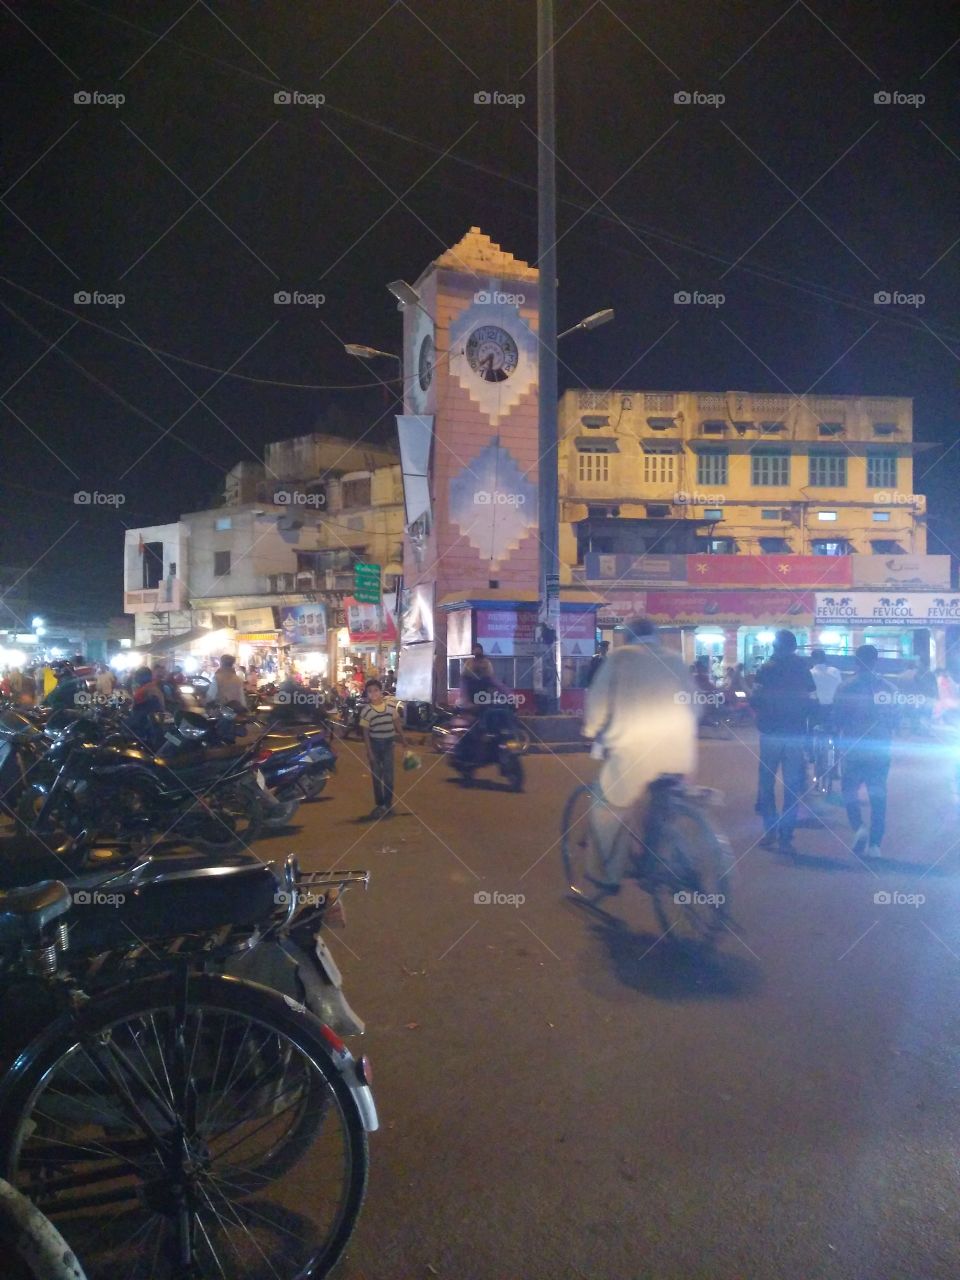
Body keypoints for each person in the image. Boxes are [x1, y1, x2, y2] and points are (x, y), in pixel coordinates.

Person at [581, 617, 697, 892]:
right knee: (660, 806)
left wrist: (591, 730)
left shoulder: (621, 658)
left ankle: (608, 875)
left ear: (628, 637)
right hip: (677, 753)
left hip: (634, 751)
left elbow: (598, 702)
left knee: (608, 807)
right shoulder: (675, 659)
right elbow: (695, 705)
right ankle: (657, 859)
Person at [751, 630, 816, 855]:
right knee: (792, 786)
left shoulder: (766, 669)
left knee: (767, 783)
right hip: (795, 733)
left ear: (776, 646)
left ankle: (770, 830)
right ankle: (786, 835)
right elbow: (811, 698)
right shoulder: (803, 668)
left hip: (771, 733)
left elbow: (755, 699)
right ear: (794, 647)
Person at [834, 645, 897, 858]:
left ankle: (859, 826)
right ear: (875, 661)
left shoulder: (845, 687)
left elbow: (837, 718)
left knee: (849, 790)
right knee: (878, 794)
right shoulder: (888, 688)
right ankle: (876, 845)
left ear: (856, 662)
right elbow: (896, 719)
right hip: (880, 746)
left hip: (853, 746)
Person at [359, 678, 407, 819]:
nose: (373, 693)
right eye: (370, 691)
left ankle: (387, 803)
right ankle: (380, 804)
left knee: (389, 777)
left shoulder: (391, 708)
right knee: (376, 777)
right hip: (374, 745)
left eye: (376, 690)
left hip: (388, 745)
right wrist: (369, 751)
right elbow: (365, 733)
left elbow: (397, 723)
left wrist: (403, 738)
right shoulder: (366, 711)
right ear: (367, 694)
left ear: (381, 692)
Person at [809, 648, 843, 726]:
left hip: (817, 710)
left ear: (813, 659)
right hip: (834, 708)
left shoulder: (810, 673)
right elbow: (840, 688)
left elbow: (811, 693)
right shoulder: (835, 671)